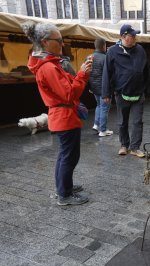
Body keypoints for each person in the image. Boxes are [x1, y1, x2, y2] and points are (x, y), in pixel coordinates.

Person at [23, 21, 91, 206]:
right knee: (69, 156)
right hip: (64, 117)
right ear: (45, 42)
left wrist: (79, 75)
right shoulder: (48, 67)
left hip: (64, 116)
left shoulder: (49, 64)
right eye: (59, 40)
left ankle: (63, 187)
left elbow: (66, 87)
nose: (62, 44)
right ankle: (64, 194)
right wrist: (82, 75)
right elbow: (69, 94)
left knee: (65, 156)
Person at [102, 24, 148, 157]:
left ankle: (135, 147)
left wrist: (145, 87)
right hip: (121, 93)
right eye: (132, 35)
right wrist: (106, 93)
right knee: (122, 122)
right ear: (123, 37)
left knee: (137, 121)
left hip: (138, 93)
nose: (134, 37)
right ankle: (124, 145)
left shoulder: (140, 50)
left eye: (135, 35)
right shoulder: (112, 52)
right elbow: (107, 73)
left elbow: (145, 70)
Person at [88, 37, 113, 137]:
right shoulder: (106, 58)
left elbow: (87, 74)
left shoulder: (89, 57)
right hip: (104, 88)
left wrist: (89, 86)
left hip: (94, 87)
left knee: (99, 105)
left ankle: (96, 125)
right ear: (104, 46)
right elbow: (110, 75)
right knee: (104, 108)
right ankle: (103, 130)